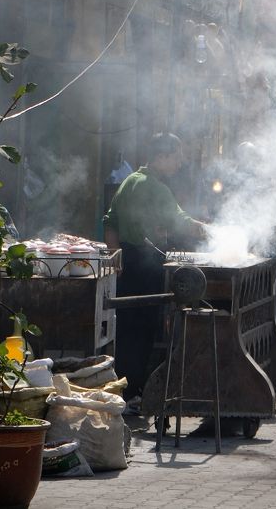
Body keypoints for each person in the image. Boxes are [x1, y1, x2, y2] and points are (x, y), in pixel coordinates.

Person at [103, 132, 207, 409]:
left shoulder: (128, 182)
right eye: (177, 156)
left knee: (125, 330)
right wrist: (204, 228)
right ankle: (134, 392)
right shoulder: (156, 187)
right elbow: (179, 220)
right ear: (163, 157)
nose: (180, 161)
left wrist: (116, 256)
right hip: (145, 264)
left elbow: (109, 222)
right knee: (144, 328)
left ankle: (122, 390)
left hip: (126, 265)